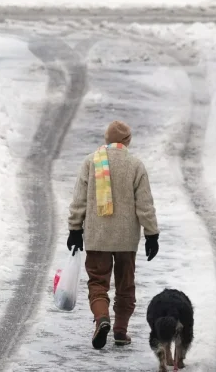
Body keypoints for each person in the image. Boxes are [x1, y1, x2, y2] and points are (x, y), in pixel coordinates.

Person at [67, 120, 160, 350]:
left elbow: (79, 200)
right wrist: (151, 234)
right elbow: (145, 204)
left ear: (106, 139)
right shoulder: (135, 165)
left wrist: (74, 229)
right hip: (126, 239)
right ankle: (120, 331)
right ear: (127, 141)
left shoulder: (91, 162)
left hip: (98, 236)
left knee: (98, 282)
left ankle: (101, 319)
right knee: (125, 285)